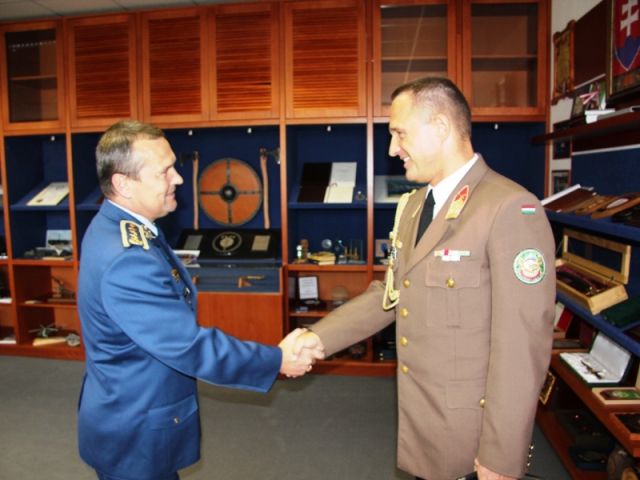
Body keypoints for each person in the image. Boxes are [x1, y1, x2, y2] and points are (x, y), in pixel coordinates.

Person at [294, 77, 556, 480]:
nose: (392, 149)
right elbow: (391, 293)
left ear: (441, 127)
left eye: (400, 133)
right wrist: (318, 337)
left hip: (473, 434)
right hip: (423, 418)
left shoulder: (508, 208)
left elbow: (522, 347)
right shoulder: (415, 206)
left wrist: (501, 454)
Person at [77, 120, 323, 480]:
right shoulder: (127, 256)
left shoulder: (118, 228)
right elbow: (187, 344)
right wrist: (278, 359)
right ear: (123, 183)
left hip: (130, 409)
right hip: (136, 431)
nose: (178, 178)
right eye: (164, 171)